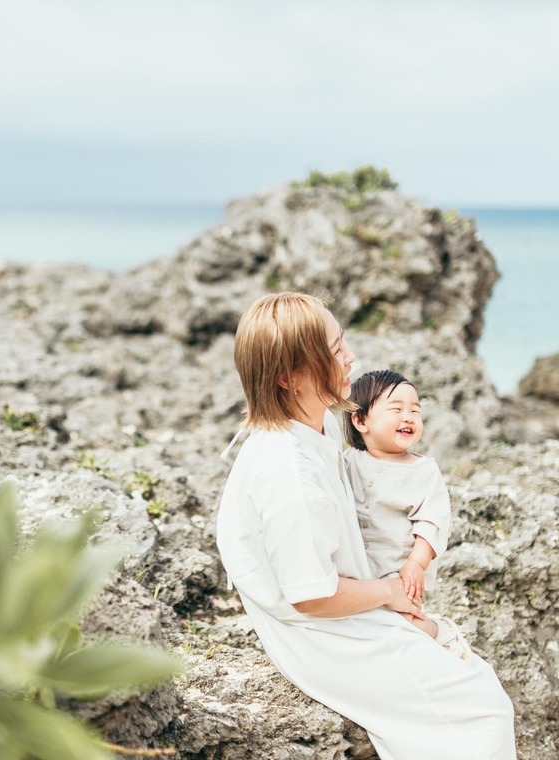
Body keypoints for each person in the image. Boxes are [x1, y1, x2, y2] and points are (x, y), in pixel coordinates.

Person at [216, 291, 516, 760]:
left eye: (343, 342)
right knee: (483, 707)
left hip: (348, 599)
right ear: (290, 377)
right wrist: (390, 594)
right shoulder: (287, 471)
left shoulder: (321, 426)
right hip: (319, 632)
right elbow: (310, 595)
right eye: (335, 350)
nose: (350, 356)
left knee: (464, 673)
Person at [343, 369, 470, 659]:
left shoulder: (423, 471)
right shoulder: (349, 461)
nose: (408, 417)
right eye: (396, 409)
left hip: (397, 569)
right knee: (360, 621)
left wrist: (415, 564)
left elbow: (433, 521)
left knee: (402, 622)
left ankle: (441, 632)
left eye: (415, 410)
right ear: (361, 420)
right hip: (358, 567)